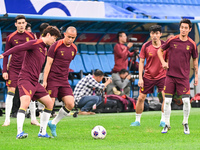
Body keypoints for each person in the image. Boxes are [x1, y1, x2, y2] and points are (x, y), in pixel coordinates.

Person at [0, 26, 61, 139]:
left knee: (49, 103)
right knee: (25, 102)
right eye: (54, 38)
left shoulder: (44, 49)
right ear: (47, 35)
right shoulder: (35, 43)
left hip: (35, 82)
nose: (54, 41)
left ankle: (42, 133)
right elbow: (18, 48)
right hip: (25, 79)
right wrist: (4, 55)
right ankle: (19, 133)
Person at [157, 19, 198, 134]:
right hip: (170, 76)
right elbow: (159, 51)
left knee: (186, 100)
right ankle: (166, 124)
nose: (183, 29)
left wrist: (196, 76)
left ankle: (185, 123)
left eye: (186, 28)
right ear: (179, 28)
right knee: (168, 101)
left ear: (190, 30)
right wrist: (163, 63)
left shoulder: (192, 44)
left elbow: (195, 59)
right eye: (182, 27)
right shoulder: (172, 40)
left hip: (183, 77)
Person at [42, 26, 77, 137]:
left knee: (70, 104)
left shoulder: (74, 49)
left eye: (73, 37)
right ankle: (42, 130)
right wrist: (45, 80)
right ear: (64, 35)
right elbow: (48, 64)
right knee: (50, 104)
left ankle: (53, 123)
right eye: (69, 37)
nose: (70, 39)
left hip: (64, 80)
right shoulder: (55, 46)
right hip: (52, 79)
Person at [2, 15, 36, 126]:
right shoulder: (11, 37)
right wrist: (4, 71)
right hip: (14, 68)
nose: (21, 25)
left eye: (23, 23)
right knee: (11, 91)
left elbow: (35, 53)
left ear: (26, 24)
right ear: (15, 24)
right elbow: (6, 55)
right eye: (19, 23)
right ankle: (7, 119)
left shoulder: (31, 36)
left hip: (27, 69)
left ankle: (33, 119)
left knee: (31, 92)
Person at [130, 25, 167, 127]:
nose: (154, 35)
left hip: (162, 77)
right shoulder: (145, 46)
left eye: (156, 33)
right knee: (141, 98)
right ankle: (137, 121)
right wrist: (140, 78)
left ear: (160, 34)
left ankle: (163, 121)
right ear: (150, 34)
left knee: (165, 98)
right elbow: (141, 62)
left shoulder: (165, 46)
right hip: (148, 76)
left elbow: (168, 61)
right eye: (152, 33)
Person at [11, 22, 40, 126]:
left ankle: (33, 117)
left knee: (31, 94)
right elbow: (12, 54)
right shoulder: (16, 39)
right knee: (16, 92)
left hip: (29, 70)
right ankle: (14, 112)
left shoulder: (33, 40)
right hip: (18, 69)